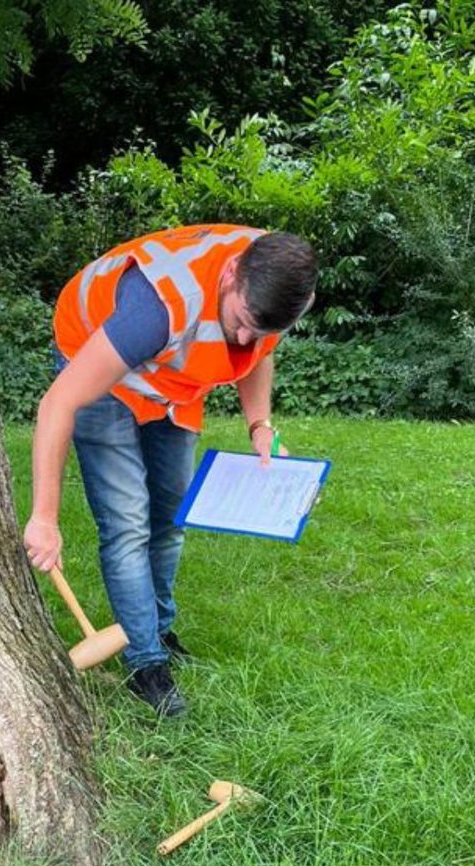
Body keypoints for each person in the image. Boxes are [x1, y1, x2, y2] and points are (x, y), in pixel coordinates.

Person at [23, 224, 317, 717]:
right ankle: (145, 661)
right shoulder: (160, 306)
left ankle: (156, 628)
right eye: (243, 321)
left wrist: (259, 425)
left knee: (172, 513)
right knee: (128, 524)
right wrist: (44, 518)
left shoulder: (280, 282)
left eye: (262, 331)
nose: (246, 338)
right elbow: (57, 404)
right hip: (100, 365)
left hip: (171, 380)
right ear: (231, 274)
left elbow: (257, 352)